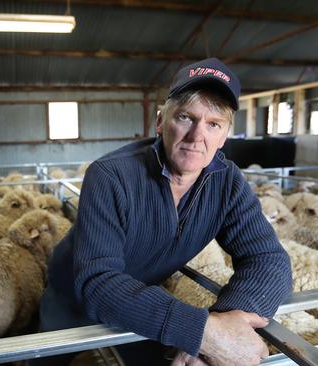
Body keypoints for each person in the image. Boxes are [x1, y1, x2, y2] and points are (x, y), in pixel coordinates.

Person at [34, 58, 293, 366]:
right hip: (72, 296)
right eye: (186, 118)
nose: (197, 136)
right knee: (47, 360)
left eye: (213, 124)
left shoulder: (227, 181)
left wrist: (224, 322)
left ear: (224, 136)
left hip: (141, 299)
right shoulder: (110, 176)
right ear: (160, 121)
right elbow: (97, 281)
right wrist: (203, 332)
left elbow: (269, 259)